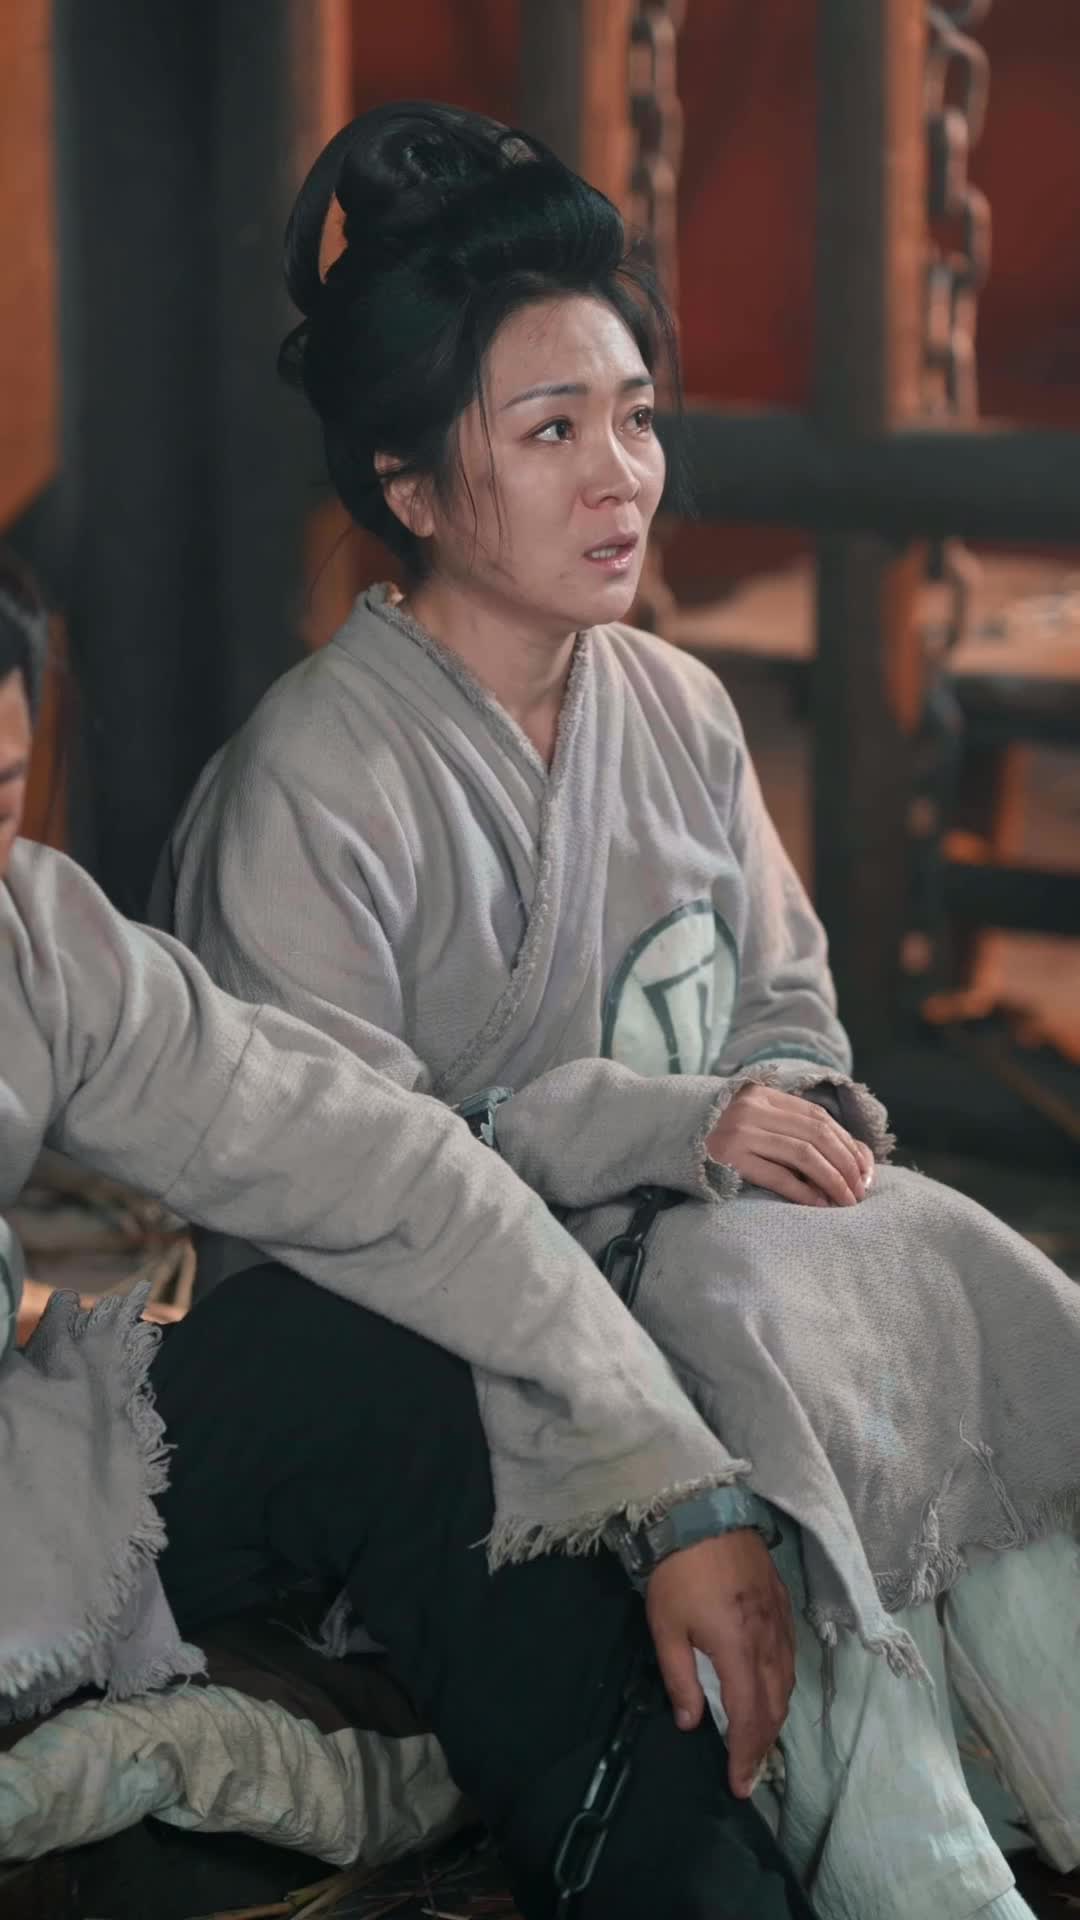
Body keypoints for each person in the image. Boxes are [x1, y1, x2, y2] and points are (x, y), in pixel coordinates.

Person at [154, 105, 1080, 1920]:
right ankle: (907, 1859)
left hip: (709, 1275)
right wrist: (667, 1130)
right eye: (551, 430)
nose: (622, 478)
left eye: (636, 416)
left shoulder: (677, 707)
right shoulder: (311, 784)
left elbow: (786, 995)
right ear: (414, 489)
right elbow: (350, 1194)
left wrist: (790, 1110)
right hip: (434, 1366)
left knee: (919, 1246)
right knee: (740, 1298)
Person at [0, 549, 812, 1916]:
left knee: (375, 1357)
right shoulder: (318, 766)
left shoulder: (32, 936)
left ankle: (675, 1882)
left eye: (2, 790)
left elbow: (381, 1162)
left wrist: (675, 1480)